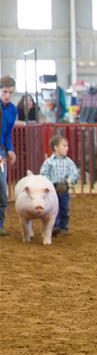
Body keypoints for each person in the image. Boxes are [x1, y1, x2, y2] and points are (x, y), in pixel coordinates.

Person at [39, 135, 79, 235]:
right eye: (64, 145)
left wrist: (69, 181)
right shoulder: (49, 162)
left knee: (64, 208)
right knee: (53, 209)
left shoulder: (69, 162)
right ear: (56, 147)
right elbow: (43, 174)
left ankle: (63, 226)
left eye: (67, 145)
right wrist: (50, 185)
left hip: (64, 188)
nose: (67, 148)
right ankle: (55, 226)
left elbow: (74, 172)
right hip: (52, 190)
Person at [0, 75, 19, 237]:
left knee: (2, 189)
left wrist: (10, 149)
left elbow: (6, 134)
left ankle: (0, 224)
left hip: (1, 153)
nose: (7, 95)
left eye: (10, 92)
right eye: (4, 91)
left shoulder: (12, 110)